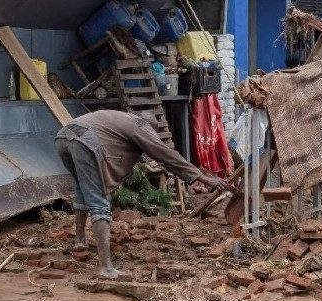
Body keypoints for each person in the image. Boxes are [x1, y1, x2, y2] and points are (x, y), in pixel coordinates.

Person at [56, 110, 228, 279]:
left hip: (64, 137)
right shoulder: (140, 125)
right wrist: (202, 177)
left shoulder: (121, 120)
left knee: (81, 189)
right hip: (85, 143)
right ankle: (106, 268)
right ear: (151, 127)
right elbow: (166, 155)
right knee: (99, 201)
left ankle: (80, 240)